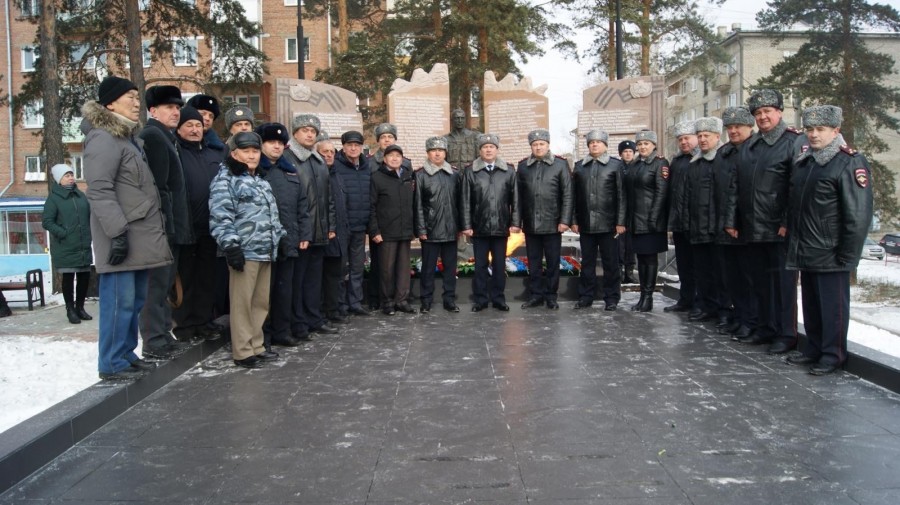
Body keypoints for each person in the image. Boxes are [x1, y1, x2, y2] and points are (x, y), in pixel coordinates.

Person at [81, 75, 173, 380]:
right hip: (120, 236)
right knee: (118, 302)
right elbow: (100, 190)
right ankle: (111, 362)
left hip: (138, 236)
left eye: (137, 98)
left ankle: (125, 353)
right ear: (110, 104)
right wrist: (117, 233)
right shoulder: (103, 138)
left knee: (133, 302)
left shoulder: (126, 138)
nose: (137, 103)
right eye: (130, 98)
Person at [785, 105, 872, 375]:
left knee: (833, 308)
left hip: (832, 251)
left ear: (836, 131)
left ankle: (833, 355)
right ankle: (813, 348)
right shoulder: (805, 162)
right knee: (811, 305)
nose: (813, 134)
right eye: (809, 129)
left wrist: (848, 255)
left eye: (820, 129)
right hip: (807, 247)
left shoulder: (849, 162)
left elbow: (858, 215)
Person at [726, 89, 801, 354]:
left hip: (778, 228)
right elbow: (736, 186)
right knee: (759, 282)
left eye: (767, 111)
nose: (763, 117)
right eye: (758, 113)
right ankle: (766, 328)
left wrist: (786, 220)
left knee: (782, 286)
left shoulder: (793, 142)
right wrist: (732, 220)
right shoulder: (750, 145)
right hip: (752, 226)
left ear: (779, 112)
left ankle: (786, 333)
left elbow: (796, 186)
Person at [209, 131, 286, 368]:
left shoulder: (260, 180)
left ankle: (257, 345)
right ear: (234, 154)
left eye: (255, 151)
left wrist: (279, 238)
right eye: (246, 151)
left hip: (265, 250)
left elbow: (272, 214)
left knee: (260, 303)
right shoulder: (226, 180)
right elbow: (221, 216)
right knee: (242, 304)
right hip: (245, 251)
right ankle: (243, 351)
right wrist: (231, 246)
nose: (252, 156)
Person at [138, 85, 193, 360]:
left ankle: (163, 334)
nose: (176, 112)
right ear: (153, 110)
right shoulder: (153, 136)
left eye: (178, 107)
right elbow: (159, 188)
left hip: (172, 226)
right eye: (169, 107)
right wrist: (167, 227)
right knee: (156, 286)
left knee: (166, 283)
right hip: (162, 228)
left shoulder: (167, 137)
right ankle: (154, 340)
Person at [282, 114, 339, 335]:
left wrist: (330, 226)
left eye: (313, 131)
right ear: (295, 133)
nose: (309, 134)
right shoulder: (287, 158)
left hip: (319, 232)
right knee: (297, 281)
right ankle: (298, 323)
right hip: (299, 233)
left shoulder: (318, 161)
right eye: (305, 130)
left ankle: (314, 319)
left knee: (314, 280)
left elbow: (328, 198)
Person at [172, 106, 223, 341]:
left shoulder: (212, 153)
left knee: (206, 277)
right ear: (179, 129)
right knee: (186, 277)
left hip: (209, 226)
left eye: (198, 126)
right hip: (186, 225)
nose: (195, 130)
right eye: (189, 125)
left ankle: (203, 321)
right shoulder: (175, 152)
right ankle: (184, 324)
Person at [255, 122, 308, 350]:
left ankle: (282, 331)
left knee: (285, 289)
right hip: (263, 241)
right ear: (262, 144)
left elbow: (302, 205)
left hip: (289, 239)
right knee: (263, 292)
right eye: (271, 142)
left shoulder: (290, 170)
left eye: (280, 143)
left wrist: (304, 233)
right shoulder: (255, 170)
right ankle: (263, 336)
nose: (276, 147)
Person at [461, 134, 521, 312]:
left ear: (497, 149)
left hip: (501, 226)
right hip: (479, 228)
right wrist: (466, 225)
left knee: (499, 265)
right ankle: (480, 299)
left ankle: (498, 299)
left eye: (491, 147)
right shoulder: (470, 171)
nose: (488, 150)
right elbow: (465, 200)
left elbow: (516, 199)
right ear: (480, 150)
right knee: (480, 266)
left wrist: (515, 222)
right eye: (485, 147)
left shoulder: (508, 170)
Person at [517, 129, 573, 310]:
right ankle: (535, 295)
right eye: (535, 144)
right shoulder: (523, 166)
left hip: (553, 223)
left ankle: (551, 296)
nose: (538, 147)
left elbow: (567, 194)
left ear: (548, 145)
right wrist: (517, 222)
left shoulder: (560, 164)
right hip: (531, 223)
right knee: (533, 262)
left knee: (552, 262)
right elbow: (518, 197)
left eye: (541, 144)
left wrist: (565, 220)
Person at [571, 130, 626, 311]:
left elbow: (622, 196)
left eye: (598, 142)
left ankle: (611, 297)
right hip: (586, 223)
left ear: (605, 145)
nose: (594, 144)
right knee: (587, 263)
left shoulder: (615, 165)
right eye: (591, 142)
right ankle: (586, 296)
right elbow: (574, 196)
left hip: (608, 224)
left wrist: (620, 221)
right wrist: (574, 220)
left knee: (611, 263)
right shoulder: (580, 166)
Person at [685, 117, 730, 324]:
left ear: (717, 136)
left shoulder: (724, 159)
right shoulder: (695, 163)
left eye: (707, 135)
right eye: (700, 135)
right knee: (703, 272)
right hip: (698, 227)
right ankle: (706, 306)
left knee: (722, 274)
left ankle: (724, 310)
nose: (702, 139)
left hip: (717, 228)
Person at [717, 107, 756, 339]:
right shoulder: (724, 153)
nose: (733, 131)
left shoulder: (755, 149)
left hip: (747, 226)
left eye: (738, 126)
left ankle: (750, 321)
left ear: (750, 126)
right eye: (729, 127)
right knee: (733, 278)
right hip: (726, 226)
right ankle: (739, 317)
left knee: (749, 278)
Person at [415, 136, 462, 313]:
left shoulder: (455, 174)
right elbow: (418, 205)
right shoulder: (420, 175)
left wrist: (460, 226)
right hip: (430, 230)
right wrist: (421, 229)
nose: (437, 153)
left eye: (441, 150)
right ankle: (426, 300)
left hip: (451, 229)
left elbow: (460, 202)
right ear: (428, 153)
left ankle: (449, 300)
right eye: (433, 150)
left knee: (450, 268)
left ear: (445, 153)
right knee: (428, 269)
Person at [624, 130, 669, 312]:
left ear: (654, 145)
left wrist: (654, 217)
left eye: (646, 144)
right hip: (636, 220)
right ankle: (643, 296)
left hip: (651, 220)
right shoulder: (635, 164)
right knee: (641, 259)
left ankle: (648, 298)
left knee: (650, 259)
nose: (642, 147)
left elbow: (661, 193)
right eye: (640, 144)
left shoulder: (660, 163)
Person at [42, 163, 93, 324]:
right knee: (69, 278)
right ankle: (70, 309)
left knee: (84, 276)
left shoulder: (80, 196)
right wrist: (64, 233)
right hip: (65, 245)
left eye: (71, 175)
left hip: (83, 244)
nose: (71, 178)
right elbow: (47, 221)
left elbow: (89, 216)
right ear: (59, 179)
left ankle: (80, 308)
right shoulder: (54, 198)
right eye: (67, 175)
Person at [369, 144, 416, 315]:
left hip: (405, 230)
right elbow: (371, 206)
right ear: (384, 159)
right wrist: (374, 231)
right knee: (387, 269)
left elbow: (413, 204)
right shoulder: (377, 177)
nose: (395, 158)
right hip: (386, 232)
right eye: (391, 155)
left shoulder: (408, 176)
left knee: (403, 269)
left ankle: (402, 300)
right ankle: (387, 301)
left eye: (398, 156)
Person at [333, 130, 371, 317]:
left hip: (360, 226)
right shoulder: (336, 165)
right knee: (341, 268)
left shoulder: (367, 166)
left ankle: (355, 302)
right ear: (344, 147)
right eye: (350, 145)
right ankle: (340, 305)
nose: (353, 148)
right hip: (342, 227)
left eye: (357, 145)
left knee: (357, 267)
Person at [664, 121, 698, 313]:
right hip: (679, 222)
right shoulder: (676, 162)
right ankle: (686, 299)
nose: (684, 142)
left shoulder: (702, 158)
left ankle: (700, 303)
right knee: (683, 265)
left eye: (687, 138)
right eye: (680, 139)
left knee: (699, 266)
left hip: (697, 223)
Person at [317, 138, 351, 325]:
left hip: (340, 235)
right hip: (324, 235)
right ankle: (322, 312)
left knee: (336, 276)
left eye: (332, 152)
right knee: (322, 277)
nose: (329, 155)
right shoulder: (317, 174)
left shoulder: (338, 175)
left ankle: (334, 309)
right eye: (325, 152)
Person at [617, 140, 637, 284]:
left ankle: (629, 272)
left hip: (634, 211)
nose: (628, 154)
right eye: (625, 151)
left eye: (630, 151)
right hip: (619, 210)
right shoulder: (617, 167)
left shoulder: (638, 166)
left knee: (631, 244)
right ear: (621, 154)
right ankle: (619, 271)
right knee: (619, 244)